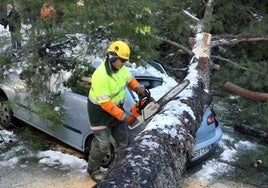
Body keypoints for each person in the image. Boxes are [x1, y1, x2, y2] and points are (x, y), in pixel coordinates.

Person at [87, 41, 146, 182]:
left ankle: (118, 168)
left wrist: (138, 88)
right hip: (99, 112)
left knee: (122, 142)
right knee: (103, 146)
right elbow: (105, 103)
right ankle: (93, 170)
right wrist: (125, 116)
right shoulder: (100, 75)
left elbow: (129, 79)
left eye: (125, 61)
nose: (124, 63)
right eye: (122, 60)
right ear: (112, 57)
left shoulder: (120, 69)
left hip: (116, 108)